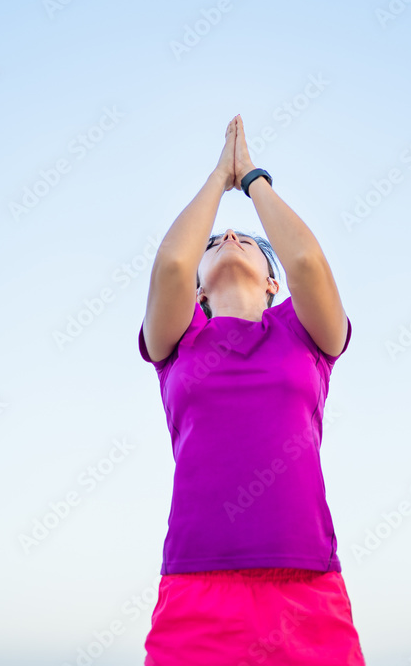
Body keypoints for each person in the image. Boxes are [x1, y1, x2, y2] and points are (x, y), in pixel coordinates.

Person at [137, 114, 366, 665]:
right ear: (198, 287)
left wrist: (251, 178)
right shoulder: (181, 340)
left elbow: (306, 262)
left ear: (271, 281)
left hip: (306, 585)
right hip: (195, 584)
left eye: (245, 239)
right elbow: (172, 264)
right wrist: (220, 178)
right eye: (215, 241)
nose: (230, 236)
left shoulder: (303, 333)